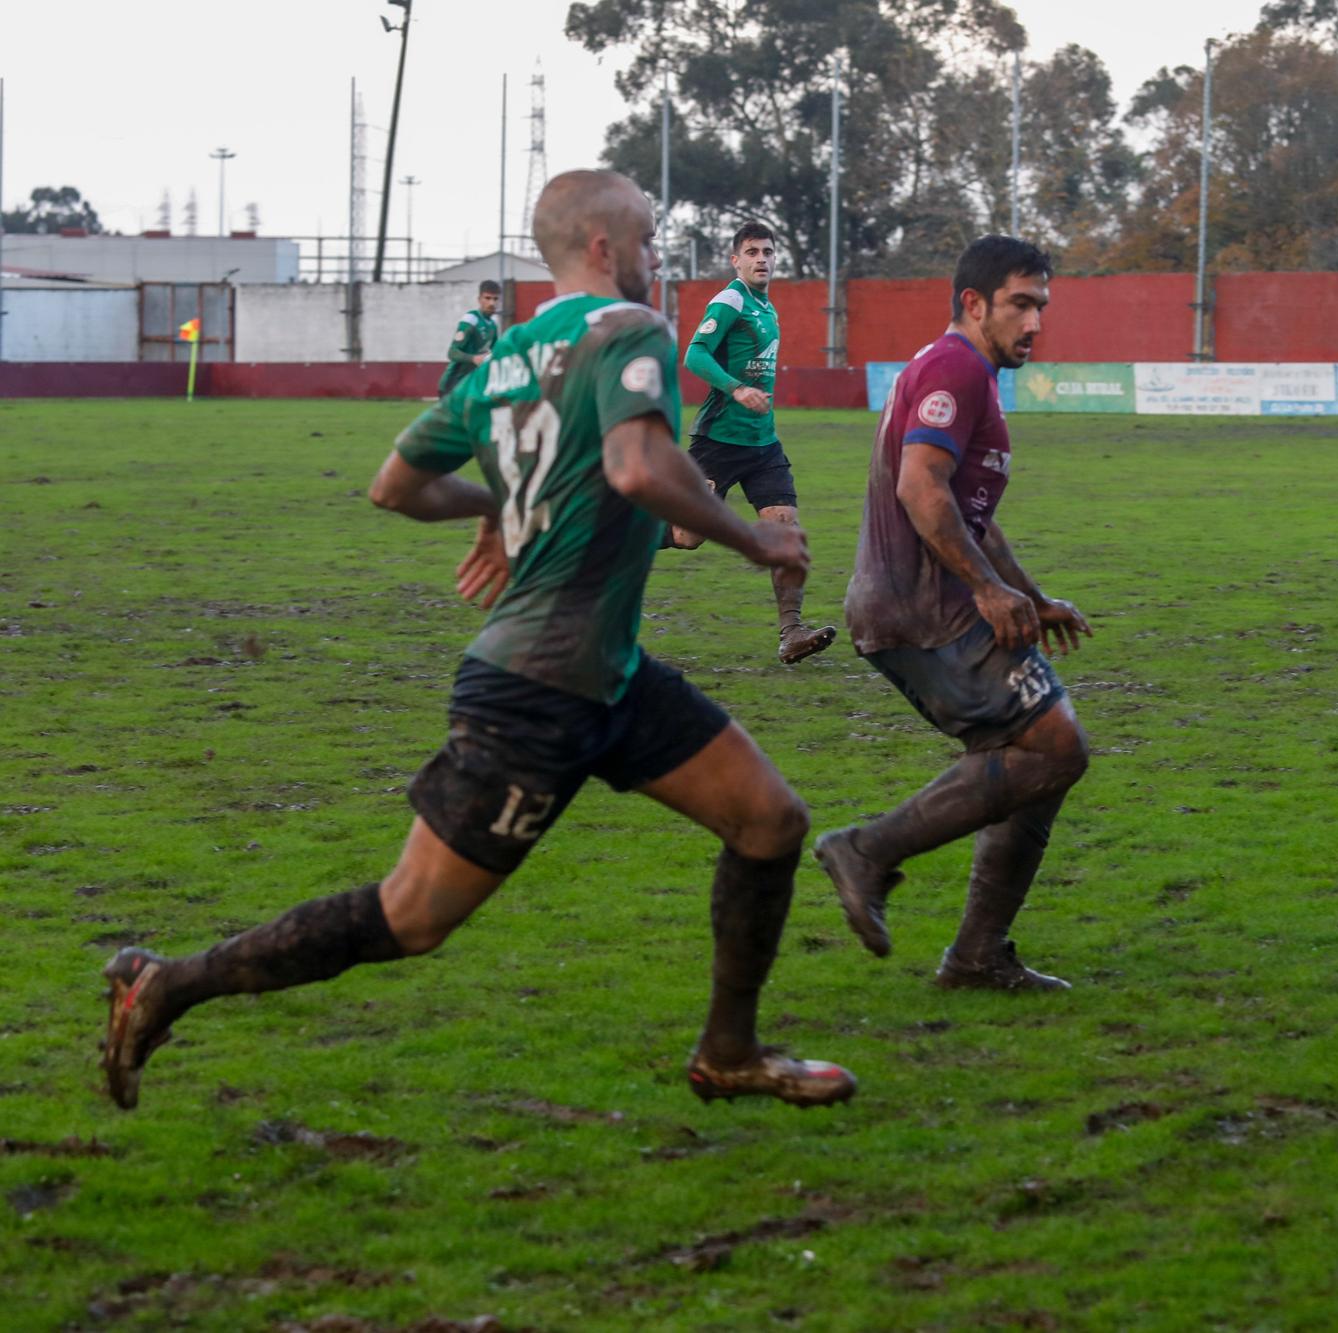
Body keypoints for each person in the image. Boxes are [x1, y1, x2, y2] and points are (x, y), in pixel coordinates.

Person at [100, 169, 855, 1112]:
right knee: (411, 917)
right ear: (603, 249)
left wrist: (503, 499)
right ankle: (168, 981)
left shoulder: (503, 359)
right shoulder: (632, 330)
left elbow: (395, 486)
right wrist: (758, 539)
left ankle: (728, 1051)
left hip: (610, 673)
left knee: (770, 819)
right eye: (650, 241)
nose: (659, 261)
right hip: (536, 688)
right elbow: (636, 465)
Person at [813, 235, 1092, 992]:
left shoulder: (969, 374)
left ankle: (976, 955)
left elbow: (972, 514)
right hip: (919, 606)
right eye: (1021, 305)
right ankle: (865, 851)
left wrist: (1029, 595)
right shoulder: (953, 366)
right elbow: (921, 491)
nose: (1035, 323)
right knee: (1056, 748)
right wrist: (987, 591)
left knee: (1042, 762)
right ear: (974, 304)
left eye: (1042, 306)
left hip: (923, 599)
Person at [671, 222, 838, 665]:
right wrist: (735, 388)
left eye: (767, 251)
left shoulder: (767, 306)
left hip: (763, 443)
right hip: (718, 441)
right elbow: (694, 354)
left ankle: (792, 632)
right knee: (687, 537)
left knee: (785, 527)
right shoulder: (729, 300)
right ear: (735, 259)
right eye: (752, 251)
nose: (761, 259)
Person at [438, 280, 503, 399]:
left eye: (495, 299)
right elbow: (452, 352)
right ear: (479, 299)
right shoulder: (471, 320)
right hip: (452, 384)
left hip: (470, 385)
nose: (492, 303)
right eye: (487, 298)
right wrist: (473, 358)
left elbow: (496, 352)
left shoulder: (493, 324)